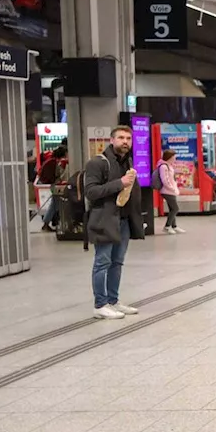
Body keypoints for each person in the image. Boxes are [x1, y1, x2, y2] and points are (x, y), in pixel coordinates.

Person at [84, 125, 143, 320]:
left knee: (117, 262)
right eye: (121, 138)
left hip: (123, 220)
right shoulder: (98, 163)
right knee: (102, 261)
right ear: (111, 140)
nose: (125, 141)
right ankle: (100, 304)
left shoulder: (128, 162)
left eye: (128, 138)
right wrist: (120, 183)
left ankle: (113, 300)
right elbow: (91, 192)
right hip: (104, 219)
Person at [39, 146, 69, 232]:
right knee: (54, 205)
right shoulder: (58, 163)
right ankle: (46, 223)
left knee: (55, 205)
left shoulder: (52, 161)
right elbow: (60, 175)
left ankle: (47, 223)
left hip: (54, 185)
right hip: (57, 186)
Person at [155, 149, 184, 235]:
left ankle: (174, 226)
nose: (175, 158)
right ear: (169, 157)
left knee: (172, 208)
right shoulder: (164, 167)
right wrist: (173, 189)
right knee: (175, 208)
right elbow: (165, 180)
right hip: (167, 191)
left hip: (170, 191)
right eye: (174, 157)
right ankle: (167, 226)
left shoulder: (169, 165)